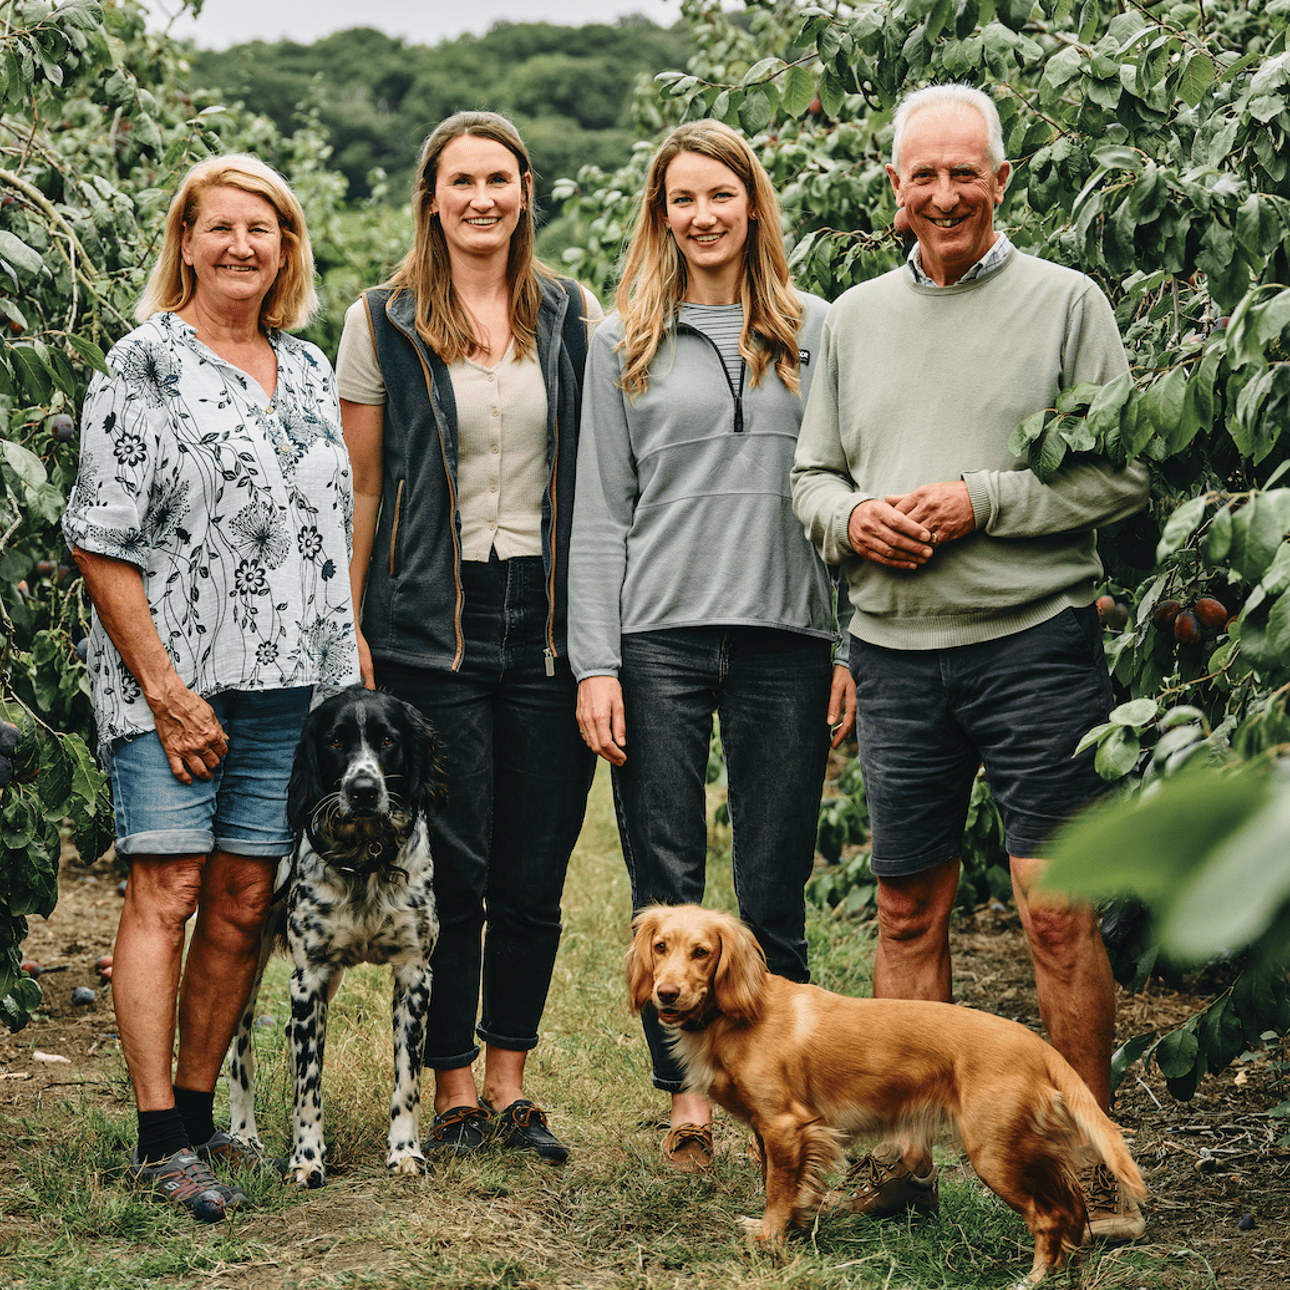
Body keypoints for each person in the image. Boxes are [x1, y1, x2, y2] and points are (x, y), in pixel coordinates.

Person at [790, 83, 1150, 1240]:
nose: (943, 194)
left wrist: (978, 501)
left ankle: (1080, 1172)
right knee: (906, 910)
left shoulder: (1065, 304)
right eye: (922, 176)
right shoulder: (850, 317)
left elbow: (1119, 475)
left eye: (965, 173)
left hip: (1035, 648)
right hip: (898, 655)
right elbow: (811, 479)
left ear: (1001, 181)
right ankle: (906, 1168)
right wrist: (854, 523)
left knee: (1057, 915)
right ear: (893, 191)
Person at [63, 154, 359, 1220]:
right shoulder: (143, 364)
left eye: (263, 229)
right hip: (173, 677)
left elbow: (330, 535)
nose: (242, 246)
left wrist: (346, 661)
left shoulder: (312, 366)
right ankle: (154, 1137)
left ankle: (197, 1119)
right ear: (184, 242)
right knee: (170, 888)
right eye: (220, 227)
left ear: (287, 249)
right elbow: (100, 540)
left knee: (242, 901)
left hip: (289, 683)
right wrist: (164, 690)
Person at [569, 119, 855, 1173]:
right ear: (661, 215)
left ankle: (778, 1083)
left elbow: (847, 490)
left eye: (720, 197)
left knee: (774, 876)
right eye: (682, 200)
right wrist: (596, 661)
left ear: (752, 206)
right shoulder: (624, 343)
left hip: (787, 632)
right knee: (667, 878)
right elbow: (600, 513)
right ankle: (689, 1092)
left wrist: (850, 645)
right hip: (660, 637)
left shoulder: (818, 329)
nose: (702, 217)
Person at [336, 111, 598, 1165]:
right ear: (432, 198)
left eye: (500, 178)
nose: (482, 198)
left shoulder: (571, 315)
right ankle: (448, 1090)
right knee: (449, 864)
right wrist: (348, 623)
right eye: (462, 182)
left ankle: (511, 1085)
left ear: (526, 190)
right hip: (425, 626)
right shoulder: (382, 320)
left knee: (536, 865)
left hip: (542, 625)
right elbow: (361, 487)